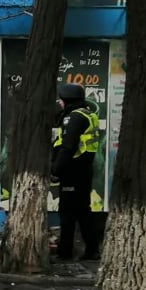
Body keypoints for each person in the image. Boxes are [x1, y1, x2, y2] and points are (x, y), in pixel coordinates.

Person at [51, 83, 100, 261]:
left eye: (62, 100)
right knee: (83, 211)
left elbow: (68, 147)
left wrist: (56, 169)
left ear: (67, 100)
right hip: (84, 169)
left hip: (73, 170)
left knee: (67, 213)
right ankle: (92, 250)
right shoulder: (88, 113)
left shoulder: (74, 117)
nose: (60, 103)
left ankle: (65, 253)